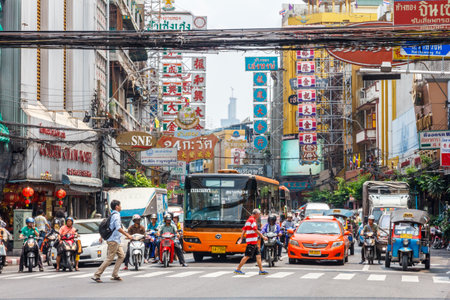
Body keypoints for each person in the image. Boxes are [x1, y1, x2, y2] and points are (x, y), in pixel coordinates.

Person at [92, 200, 133, 283]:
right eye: (120, 205)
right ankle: (97, 275)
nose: (121, 207)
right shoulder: (116, 216)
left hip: (115, 240)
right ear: (117, 206)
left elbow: (109, 227)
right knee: (110, 258)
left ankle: (115, 274)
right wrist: (127, 235)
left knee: (121, 255)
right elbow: (118, 228)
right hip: (113, 240)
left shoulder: (112, 214)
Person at [234, 209, 268, 275]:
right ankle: (238, 269)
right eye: (259, 214)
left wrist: (241, 238)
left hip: (254, 241)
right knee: (247, 256)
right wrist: (263, 237)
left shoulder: (249, 220)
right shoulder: (252, 220)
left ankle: (261, 270)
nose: (259, 215)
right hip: (251, 241)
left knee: (258, 255)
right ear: (255, 214)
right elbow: (256, 230)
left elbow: (244, 230)